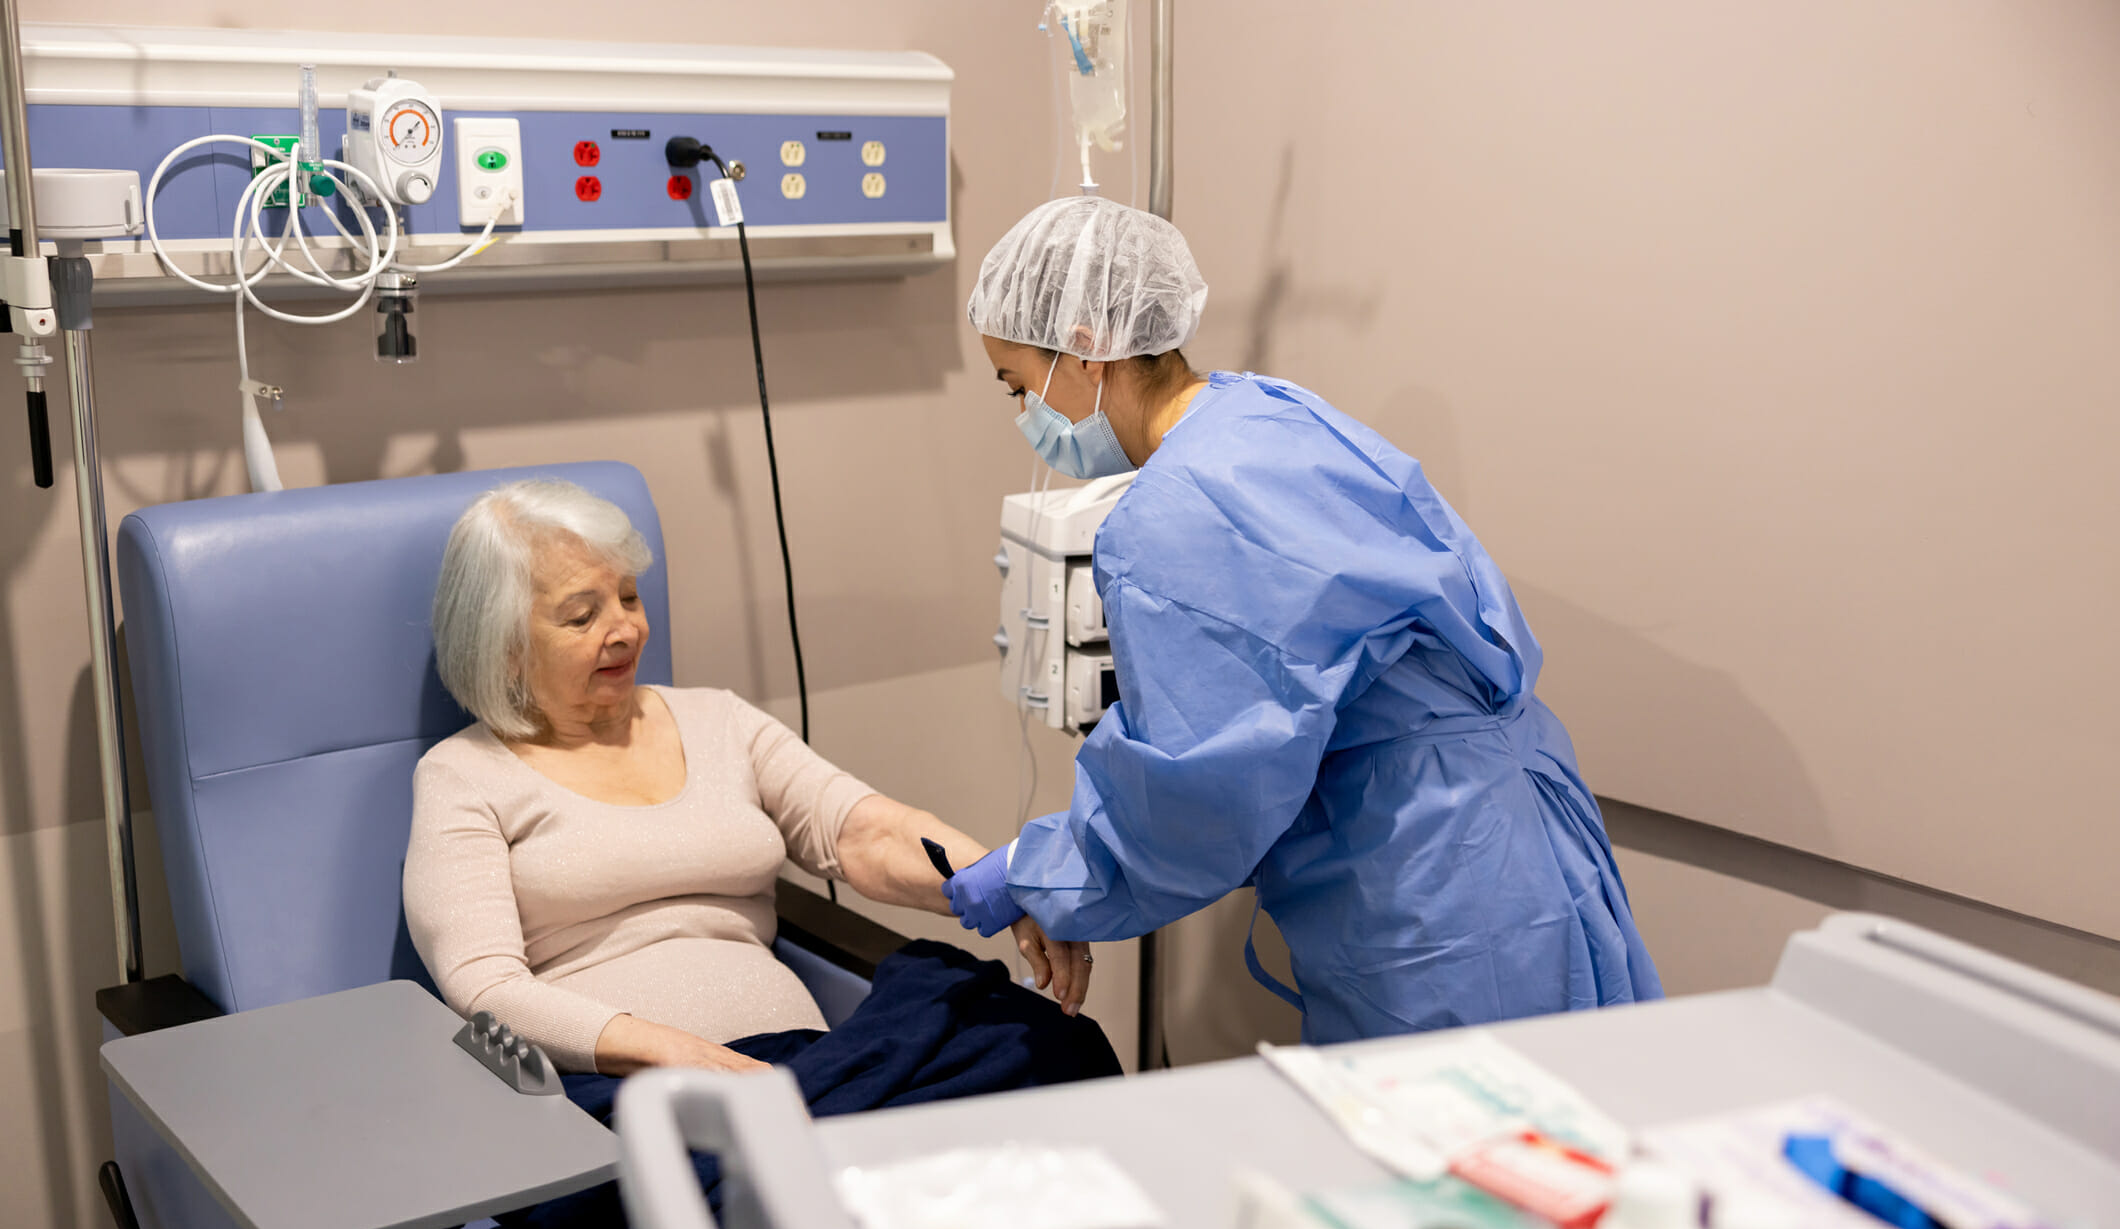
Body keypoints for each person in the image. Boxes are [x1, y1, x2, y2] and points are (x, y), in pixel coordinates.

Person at [941, 195, 1664, 1043]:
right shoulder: (1271, 414)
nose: (1025, 415)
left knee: (1469, 1153)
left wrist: (1042, 871)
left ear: (1089, 345)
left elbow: (1197, 795)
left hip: (1433, 889)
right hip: (1521, 830)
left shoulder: (1176, 518)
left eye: (1020, 384)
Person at [402, 478, 1102, 1078]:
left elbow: (859, 830)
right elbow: (486, 987)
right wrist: (675, 1054)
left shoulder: (717, 720)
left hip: (807, 1067)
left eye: (628, 597)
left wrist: (1003, 882)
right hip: (627, 1090)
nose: (625, 629)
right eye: (583, 615)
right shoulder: (466, 776)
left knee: (1047, 1046)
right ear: (508, 648)